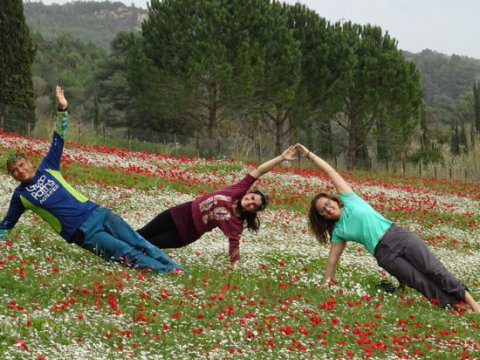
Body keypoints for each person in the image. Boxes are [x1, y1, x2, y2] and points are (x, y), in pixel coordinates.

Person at [0, 86, 184, 274]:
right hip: (82, 232)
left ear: (30, 163)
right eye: (14, 171)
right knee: (124, 254)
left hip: (99, 213)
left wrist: (62, 109)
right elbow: (6, 226)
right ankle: (168, 272)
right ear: (12, 176)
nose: (20, 171)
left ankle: (176, 269)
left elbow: (59, 137)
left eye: (22, 165)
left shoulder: (48, 167)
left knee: (138, 241)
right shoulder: (20, 197)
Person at [295, 143, 480, 312]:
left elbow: (331, 172)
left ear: (334, 200)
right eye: (322, 210)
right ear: (321, 217)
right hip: (384, 254)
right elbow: (332, 259)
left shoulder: (350, 199)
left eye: (327, 203)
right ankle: (456, 306)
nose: (327, 208)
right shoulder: (338, 232)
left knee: (434, 270)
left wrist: (309, 154)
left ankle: (473, 303)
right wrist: (326, 282)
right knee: (419, 282)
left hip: (398, 236)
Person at [137, 146, 297, 265]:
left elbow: (234, 249)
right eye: (251, 198)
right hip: (179, 213)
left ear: (253, 211)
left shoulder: (236, 224)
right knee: (140, 234)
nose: (249, 202)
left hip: (185, 233)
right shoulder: (238, 189)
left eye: (253, 205)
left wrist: (235, 270)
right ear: (248, 193)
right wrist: (281, 157)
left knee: (149, 245)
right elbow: (260, 171)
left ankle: (121, 257)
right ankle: (112, 243)